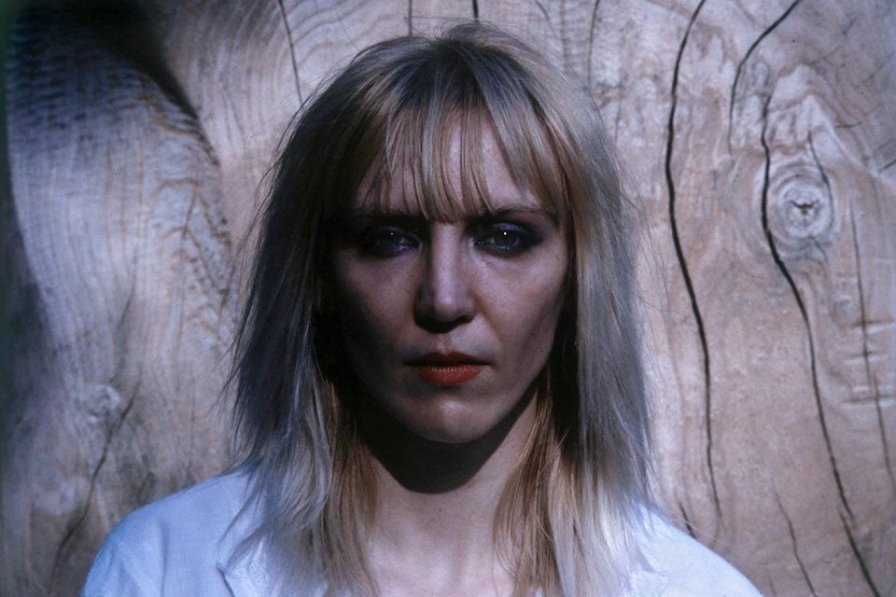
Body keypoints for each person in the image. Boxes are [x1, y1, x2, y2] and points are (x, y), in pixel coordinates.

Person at [82, 21, 760, 596]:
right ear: (317, 276)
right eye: (390, 239)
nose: (444, 298)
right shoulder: (163, 569)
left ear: (579, 276)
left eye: (503, 237)